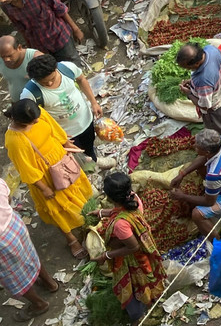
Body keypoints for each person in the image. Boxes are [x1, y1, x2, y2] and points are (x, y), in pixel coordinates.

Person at [4, 99, 92, 258]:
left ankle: (87, 217)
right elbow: (26, 169)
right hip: (45, 175)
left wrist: (66, 143)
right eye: (32, 122)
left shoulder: (36, 112)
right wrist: (44, 188)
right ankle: (71, 239)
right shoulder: (15, 140)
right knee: (56, 207)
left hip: (61, 160)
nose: (37, 121)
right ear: (19, 120)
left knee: (77, 190)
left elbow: (54, 128)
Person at [94, 172, 167, 322]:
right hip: (144, 253)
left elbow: (132, 247)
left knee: (133, 288)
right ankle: (150, 301)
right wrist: (102, 213)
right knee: (147, 279)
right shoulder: (133, 198)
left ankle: (138, 316)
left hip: (132, 261)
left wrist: (105, 256)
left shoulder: (121, 224)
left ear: (110, 198)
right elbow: (121, 211)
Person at [0, 176, 58, 321]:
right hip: (14, 225)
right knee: (30, 255)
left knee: (12, 275)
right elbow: (7, 198)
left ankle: (39, 304)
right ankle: (50, 283)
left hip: (2, 242)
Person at [22, 54, 101, 161]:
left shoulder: (67, 68)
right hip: (67, 135)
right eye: (44, 83)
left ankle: (93, 160)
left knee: (89, 146)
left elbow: (81, 79)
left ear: (56, 69)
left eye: (52, 79)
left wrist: (94, 102)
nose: (49, 83)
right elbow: (34, 122)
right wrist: (60, 139)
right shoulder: (30, 94)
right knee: (75, 159)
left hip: (86, 120)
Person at [0, 0, 82, 63]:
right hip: (40, 46)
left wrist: (76, 29)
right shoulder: (5, 6)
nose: (2, 0)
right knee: (52, 71)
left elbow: (60, 9)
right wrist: (30, 48)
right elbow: (21, 28)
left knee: (73, 67)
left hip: (59, 37)